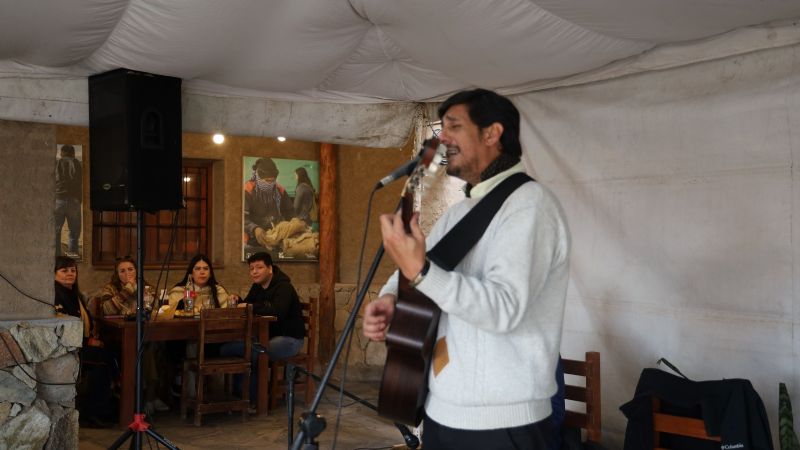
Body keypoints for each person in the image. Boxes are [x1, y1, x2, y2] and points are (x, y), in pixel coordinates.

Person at [363, 89, 571, 449]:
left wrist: (421, 271)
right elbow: (426, 269)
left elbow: (503, 308)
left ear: (492, 134)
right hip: (441, 413)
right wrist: (390, 298)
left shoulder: (531, 206)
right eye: (441, 129)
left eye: (454, 127)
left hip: (502, 425)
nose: (442, 139)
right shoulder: (459, 213)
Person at [219, 251, 304, 406]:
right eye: (251, 269)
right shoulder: (257, 287)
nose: (254, 272)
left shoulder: (284, 287)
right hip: (266, 337)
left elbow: (278, 311)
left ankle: (254, 400)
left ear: (270, 269)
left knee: (256, 353)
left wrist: (250, 306)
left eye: (259, 267)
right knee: (244, 350)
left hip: (289, 339)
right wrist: (238, 299)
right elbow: (249, 305)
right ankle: (245, 397)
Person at [87, 256, 168, 416]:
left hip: (144, 333)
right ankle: (146, 398)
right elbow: (108, 309)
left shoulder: (145, 287)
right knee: (145, 350)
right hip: (117, 338)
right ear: (117, 274)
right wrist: (128, 290)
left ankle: (153, 396)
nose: (127, 273)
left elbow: (155, 307)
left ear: (136, 271)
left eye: (130, 269)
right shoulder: (109, 289)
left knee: (161, 347)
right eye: (122, 271)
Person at [54, 256, 117, 428]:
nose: (70, 274)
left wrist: (92, 338)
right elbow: (65, 328)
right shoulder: (56, 295)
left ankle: (106, 406)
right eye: (64, 270)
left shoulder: (75, 294)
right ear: (54, 274)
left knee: (112, 353)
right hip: (68, 348)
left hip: (82, 343)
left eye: (73, 270)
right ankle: (94, 411)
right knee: (105, 360)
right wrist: (88, 341)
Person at [243, 157, 294, 253]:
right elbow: (241, 218)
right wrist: (254, 228)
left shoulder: (279, 190)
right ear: (258, 177)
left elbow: (290, 213)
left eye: (272, 180)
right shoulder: (247, 190)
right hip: (251, 241)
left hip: (275, 240)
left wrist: (295, 225)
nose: (270, 184)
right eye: (267, 181)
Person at [165, 254, 232, 313]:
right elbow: (167, 313)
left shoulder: (219, 291)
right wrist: (183, 302)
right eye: (197, 269)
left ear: (210, 274)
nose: (202, 272)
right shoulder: (179, 291)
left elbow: (228, 313)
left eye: (205, 269)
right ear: (191, 274)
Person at [55, 144, 82, 257]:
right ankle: (72, 256)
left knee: (56, 230)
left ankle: (56, 255)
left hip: (57, 200)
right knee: (74, 232)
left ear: (62, 153)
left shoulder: (56, 163)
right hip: (73, 200)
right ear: (73, 153)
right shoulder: (76, 163)